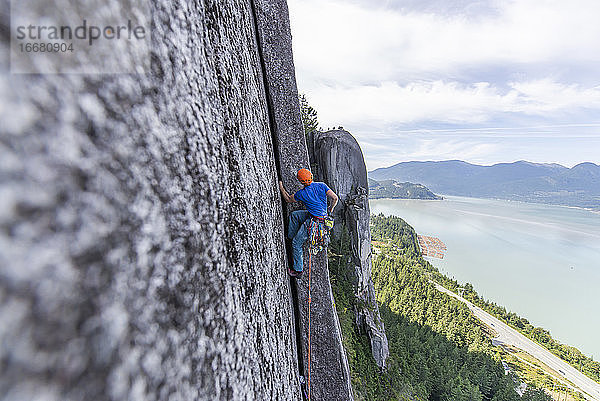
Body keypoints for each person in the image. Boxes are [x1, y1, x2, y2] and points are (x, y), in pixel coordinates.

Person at [279, 168, 338, 277]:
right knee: (294, 215)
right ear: (311, 176)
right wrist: (330, 208)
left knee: (297, 244)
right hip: (321, 219)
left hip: (314, 224)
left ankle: (298, 271)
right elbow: (335, 198)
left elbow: (287, 199)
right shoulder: (322, 185)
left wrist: (281, 187)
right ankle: (290, 236)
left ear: (301, 181)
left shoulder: (303, 193)